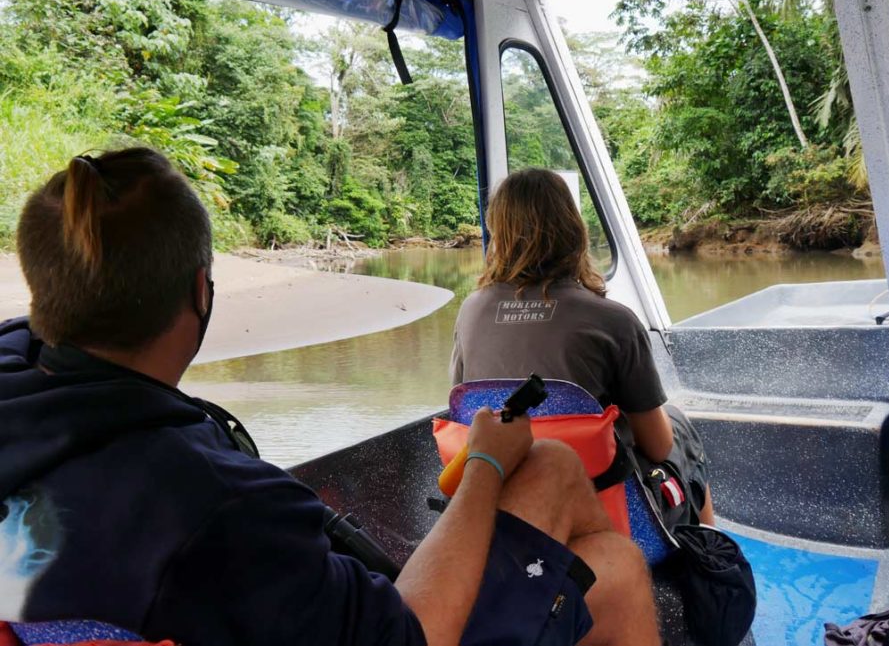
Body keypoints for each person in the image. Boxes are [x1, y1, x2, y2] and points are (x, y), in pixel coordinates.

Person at [0, 148, 661, 646]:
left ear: (46, 291)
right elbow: (411, 632)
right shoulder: (219, 503)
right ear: (202, 290)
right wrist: (485, 463)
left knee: (553, 467)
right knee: (619, 565)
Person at [451, 168, 714, 525]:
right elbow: (657, 447)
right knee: (681, 432)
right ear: (573, 229)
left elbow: (462, 408)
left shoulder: (471, 310)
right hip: (592, 505)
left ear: (498, 233)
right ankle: (711, 562)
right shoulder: (613, 321)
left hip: (503, 494)